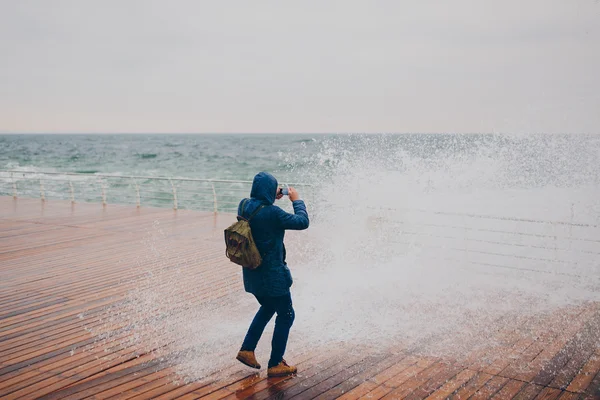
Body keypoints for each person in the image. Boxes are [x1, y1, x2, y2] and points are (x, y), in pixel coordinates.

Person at [235, 171, 309, 377]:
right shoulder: (273, 213)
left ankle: (247, 349)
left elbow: (258, 206)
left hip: (252, 273)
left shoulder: (243, 206)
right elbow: (302, 222)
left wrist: (269, 194)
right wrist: (297, 200)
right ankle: (276, 363)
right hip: (273, 276)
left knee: (268, 306)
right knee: (286, 314)